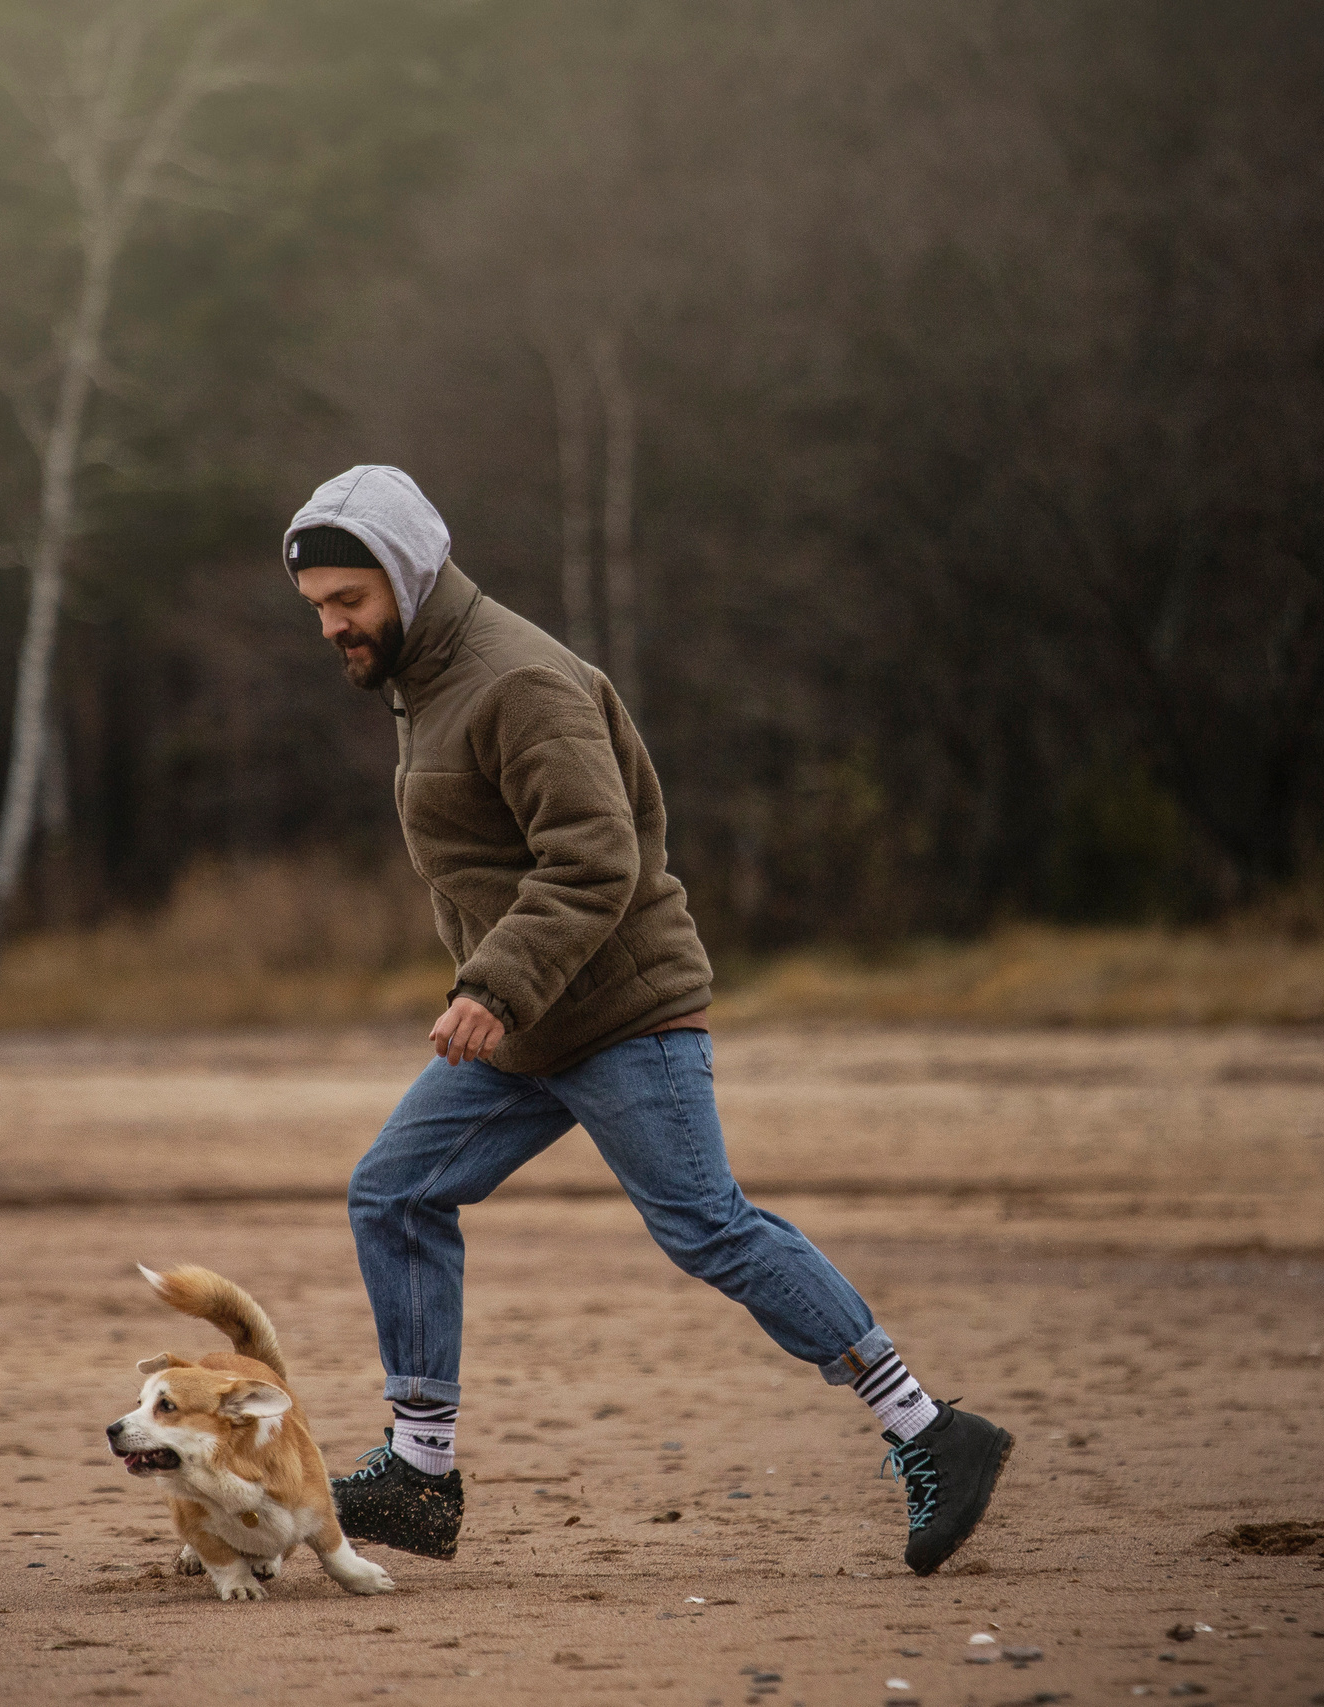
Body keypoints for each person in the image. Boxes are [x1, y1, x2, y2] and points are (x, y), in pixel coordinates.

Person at [280, 464, 1010, 1574]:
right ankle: (421, 1472)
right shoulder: (427, 678)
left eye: (349, 601)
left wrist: (491, 986)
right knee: (395, 1190)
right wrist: (505, 996)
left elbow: (595, 857)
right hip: (532, 1027)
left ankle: (930, 1431)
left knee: (706, 1225)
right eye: (319, 608)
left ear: (410, 575)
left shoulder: (515, 679)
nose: (332, 625)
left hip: (622, 1013)